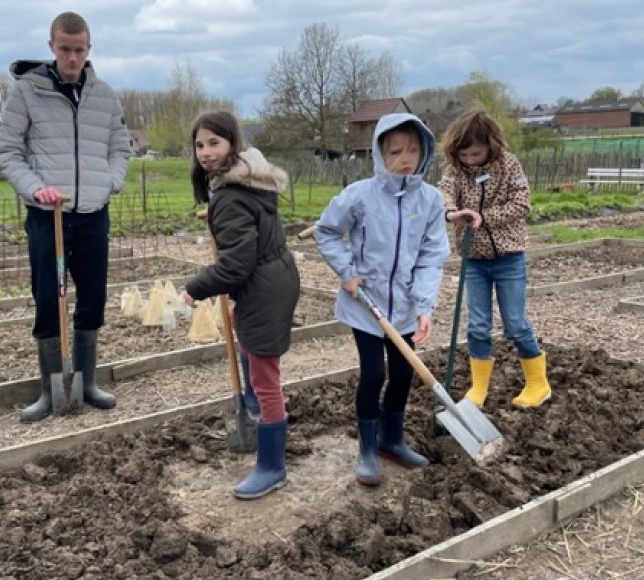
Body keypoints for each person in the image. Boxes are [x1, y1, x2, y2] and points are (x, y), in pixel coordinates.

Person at [0, 11, 132, 422]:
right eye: (65, 49)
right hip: (47, 216)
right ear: (51, 46)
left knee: (92, 298)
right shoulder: (26, 93)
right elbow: (9, 151)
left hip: (93, 214)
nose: (72, 57)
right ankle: (49, 386)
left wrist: (110, 181)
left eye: (80, 50)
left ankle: (86, 383)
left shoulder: (104, 95)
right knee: (49, 298)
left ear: (88, 49)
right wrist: (36, 188)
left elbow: (120, 148)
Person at [315, 113, 449, 487]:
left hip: (403, 307)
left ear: (424, 151)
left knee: (403, 373)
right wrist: (346, 272)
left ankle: (393, 440)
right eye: (395, 151)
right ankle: (368, 448)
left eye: (412, 149)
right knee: (374, 373)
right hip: (365, 304)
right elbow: (326, 231)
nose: (405, 157)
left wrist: (423, 306)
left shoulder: (431, 200)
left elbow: (430, 256)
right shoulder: (360, 195)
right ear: (379, 153)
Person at [181, 111, 299, 500]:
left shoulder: (231, 196)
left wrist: (195, 288)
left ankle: (271, 467)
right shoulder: (245, 181)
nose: (205, 152)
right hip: (271, 279)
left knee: (266, 378)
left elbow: (235, 265)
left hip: (262, 286)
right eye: (199, 144)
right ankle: (256, 407)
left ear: (233, 144)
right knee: (249, 345)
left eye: (214, 142)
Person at [438, 107, 551, 409]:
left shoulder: (509, 165)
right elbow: (444, 193)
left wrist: (482, 218)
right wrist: (453, 213)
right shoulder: (455, 171)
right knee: (477, 325)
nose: (470, 160)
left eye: (475, 154)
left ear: (490, 144)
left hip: (508, 258)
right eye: (464, 155)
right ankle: (479, 388)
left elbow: (521, 204)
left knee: (515, 323)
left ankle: (538, 384)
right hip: (473, 260)